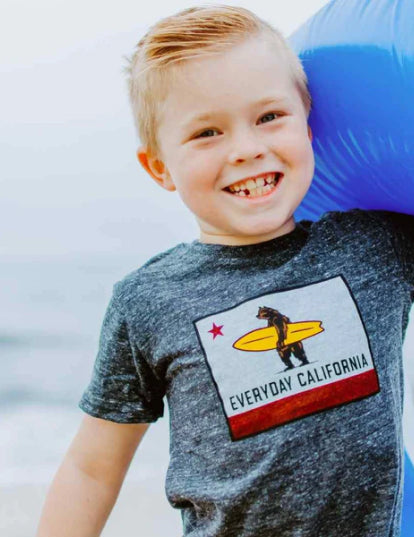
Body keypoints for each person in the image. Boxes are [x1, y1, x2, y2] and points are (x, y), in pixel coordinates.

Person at [37, 5, 414, 536]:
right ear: (160, 167)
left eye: (269, 117)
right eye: (207, 132)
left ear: (308, 121)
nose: (246, 149)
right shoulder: (149, 300)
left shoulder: (378, 244)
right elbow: (92, 468)